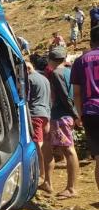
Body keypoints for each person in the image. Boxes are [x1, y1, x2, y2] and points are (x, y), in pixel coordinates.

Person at [39, 46, 80, 198]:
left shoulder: (56, 73)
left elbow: (64, 95)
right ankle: (48, 182)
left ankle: (71, 188)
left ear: (51, 60)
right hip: (62, 115)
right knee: (48, 147)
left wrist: (74, 114)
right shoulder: (69, 71)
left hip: (61, 116)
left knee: (68, 150)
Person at [71, 25, 99, 193]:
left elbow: (76, 92)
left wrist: (79, 114)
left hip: (90, 112)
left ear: (91, 41)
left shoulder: (81, 60)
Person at [26, 62, 51, 184]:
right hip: (46, 113)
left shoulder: (29, 79)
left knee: (38, 144)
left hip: (34, 114)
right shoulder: (44, 78)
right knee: (46, 144)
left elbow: (26, 98)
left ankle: (42, 173)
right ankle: (46, 173)